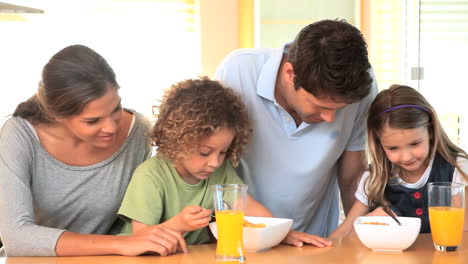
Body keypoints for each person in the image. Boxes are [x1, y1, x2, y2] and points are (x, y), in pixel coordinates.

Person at [0, 45, 187, 257]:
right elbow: (16, 236)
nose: (111, 127)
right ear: (57, 116)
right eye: (92, 121)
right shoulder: (19, 135)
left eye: (115, 109)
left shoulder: (138, 132)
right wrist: (122, 244)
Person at [214, 19, 378, 241]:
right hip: (241, 238)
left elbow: (351, 179)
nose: (330, 119)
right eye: (320, 106)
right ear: (289, 73)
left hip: (315, 243)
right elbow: (212, 168)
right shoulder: (238, 72)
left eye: (338, 110)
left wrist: (354, 244)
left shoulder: (361, 90)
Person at [117, 78, 330, 248]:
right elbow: (140, 239)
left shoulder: (221, 171)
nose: (215, 162)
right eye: (204, 152)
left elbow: (246, 207)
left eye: (223, 152)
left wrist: (282, 233)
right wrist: (180, 225)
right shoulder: (150, 176)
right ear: (177, 140)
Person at [329, 85, 468, 238]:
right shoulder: (374, 178)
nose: (406, 157)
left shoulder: (457, 168)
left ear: (430, 130)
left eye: (415, 144)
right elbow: (346, 231)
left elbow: (464, 234)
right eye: (393, 148)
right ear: (379, 143)